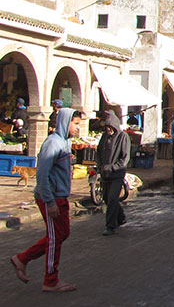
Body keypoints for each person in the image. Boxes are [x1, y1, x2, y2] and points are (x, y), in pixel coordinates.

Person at [11, 108, 82, 292]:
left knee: (61, 234)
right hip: (50, 198)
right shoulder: (53, 143)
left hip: (60, 197)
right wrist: (49, 201)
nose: (77, 128)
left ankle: (22, 259)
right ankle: (50, 280)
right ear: (66, 122)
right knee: (54, 238)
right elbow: (42, 174)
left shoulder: (64, 143)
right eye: (75, 124)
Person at [97, 111, 130, 236]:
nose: (109, 130)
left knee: (112, 199)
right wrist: (100, 166)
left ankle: (110, 225)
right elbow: (99, 152)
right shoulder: (104, 137)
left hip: (116, 174)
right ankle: (121, 217)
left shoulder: (123, 137)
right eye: (107, 128)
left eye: (111, 128)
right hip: (105, 174)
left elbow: (124, 159)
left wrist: (112, 167)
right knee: (107, 198)